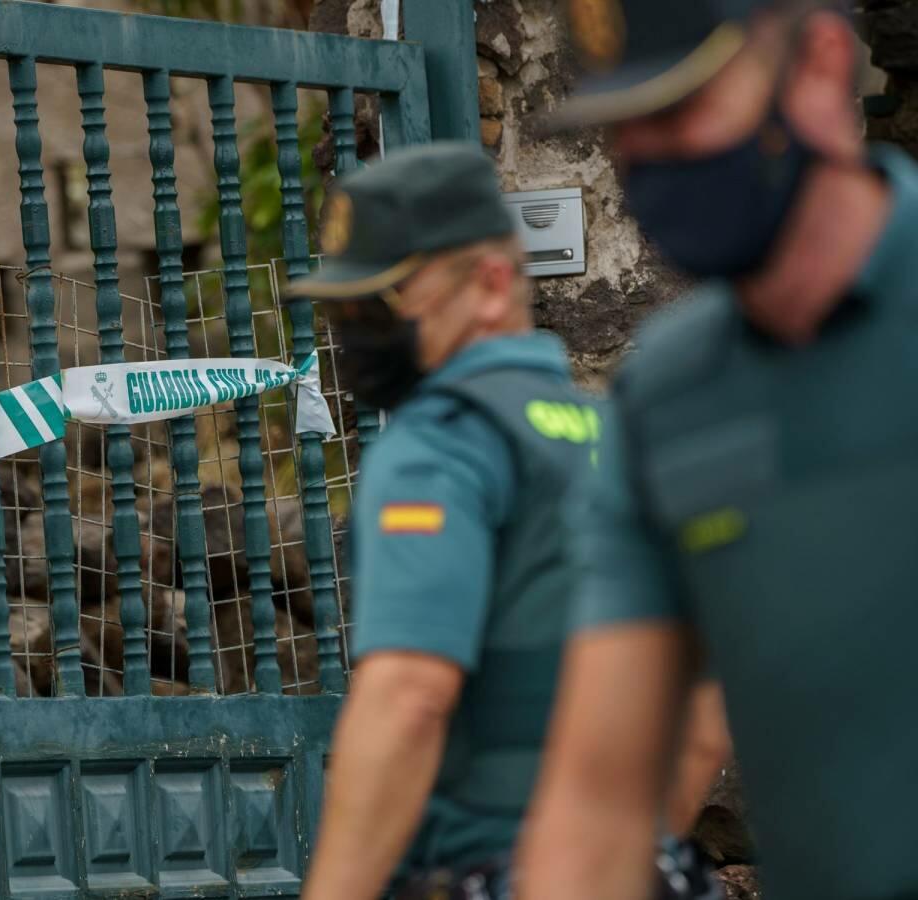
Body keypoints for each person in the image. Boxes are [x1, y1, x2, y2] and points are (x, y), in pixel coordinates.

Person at [515, 2, 918, 900]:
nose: (649, 157)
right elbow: (600, 798)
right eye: (624, 127)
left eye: (681, 107)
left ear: (817, 66)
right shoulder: (666, 395)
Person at [292, 143, 726, 900]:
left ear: (491, 284)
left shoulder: (439, 446)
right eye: (344, 307)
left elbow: (409, 696)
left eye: (383, 301)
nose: (354, 329)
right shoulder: (617, 438)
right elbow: (701, 719)